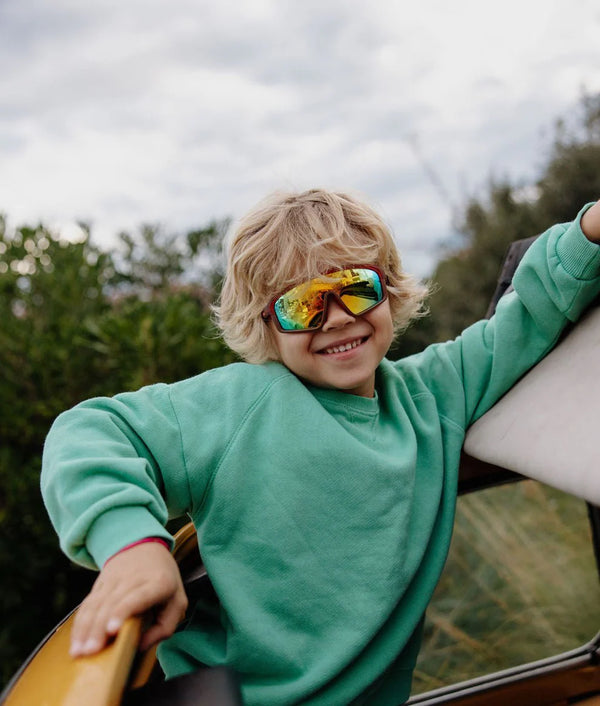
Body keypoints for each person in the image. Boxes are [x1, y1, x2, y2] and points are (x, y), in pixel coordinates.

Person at [42, 189, 600, 705]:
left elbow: (528, 315)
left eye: (357, 288)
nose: (336, 318)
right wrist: (133, 546)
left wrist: (589, 230)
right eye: (303, 305)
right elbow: (90, 432)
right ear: (266, 324)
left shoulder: (433, 395)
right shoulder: (240, 403)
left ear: (389, 291)